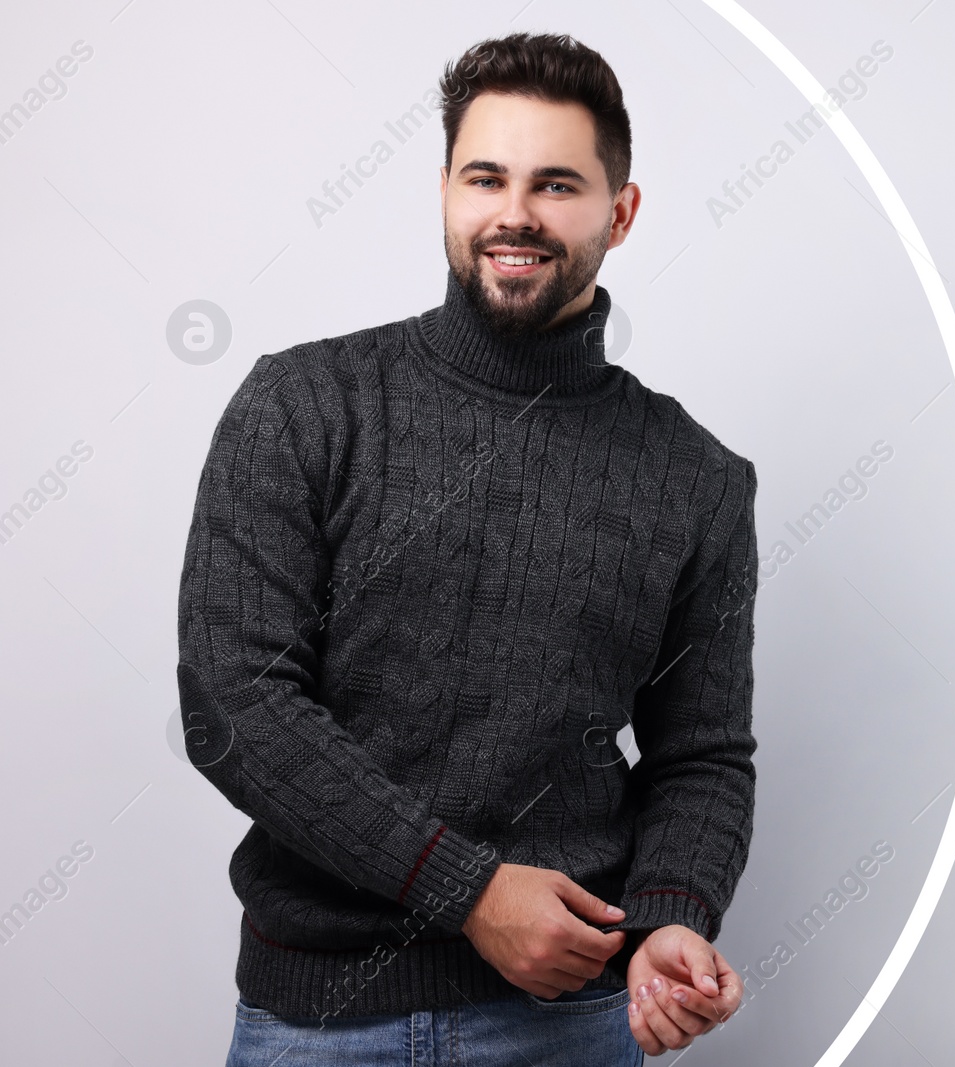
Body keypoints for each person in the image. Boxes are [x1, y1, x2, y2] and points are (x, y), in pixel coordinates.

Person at [175, 30, 758, 1065]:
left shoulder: (697, 476)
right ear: (444, 187)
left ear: (619, 214)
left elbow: (700, 754)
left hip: (573, 1020)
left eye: (557, 183)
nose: (515, 213)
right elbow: (235, 703)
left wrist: (674, 913)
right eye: (485, 176)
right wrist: (471, 890)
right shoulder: (305, 404)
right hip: (320, 1019)